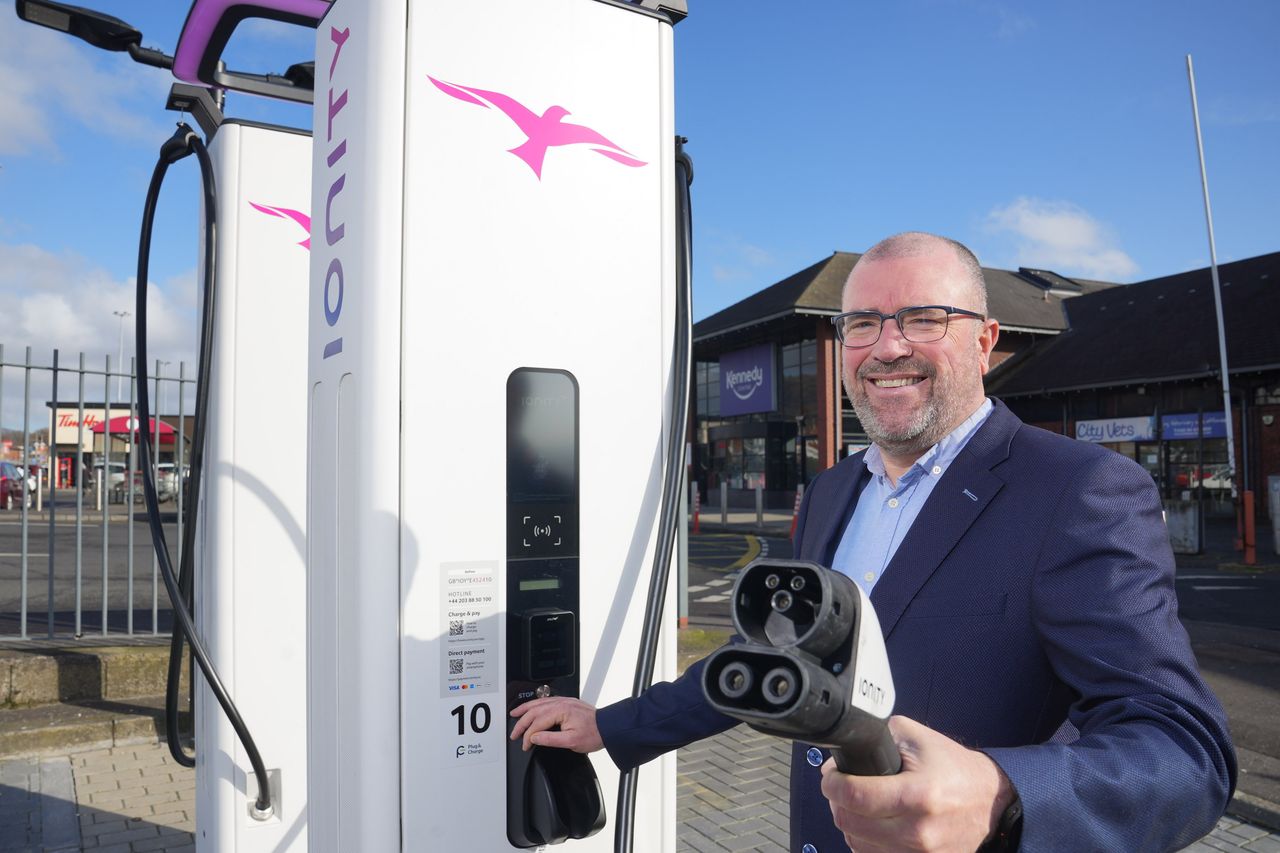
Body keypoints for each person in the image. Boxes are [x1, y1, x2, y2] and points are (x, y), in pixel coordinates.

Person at [511, 231, 1236, 852]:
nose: (888, 347)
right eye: (862, 323)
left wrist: (1003, 793)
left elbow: (1183, 748)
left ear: (985, 341)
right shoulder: (830, 492)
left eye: (923, 318)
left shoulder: (1077, 490)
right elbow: (775, 667)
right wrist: (609, 724)